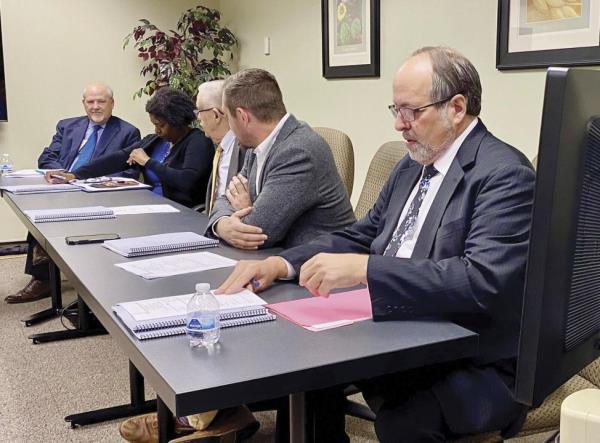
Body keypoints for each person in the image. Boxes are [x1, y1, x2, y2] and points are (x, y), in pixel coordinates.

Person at [216, 47, 536, 442]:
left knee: (402, 420)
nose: (400, 125)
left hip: (469, 359)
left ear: (456, 107)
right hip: (400, 329)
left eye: (411, 112)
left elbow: (479, 281)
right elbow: (362, 234)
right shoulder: (413, 163)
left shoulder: (504, 173)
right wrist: (281, 265)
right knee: (303, 361)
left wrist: (366, 269)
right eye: (395, 111)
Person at [5, 82, 140, 304]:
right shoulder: (67, 126)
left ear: (112, 104)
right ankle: (43, 278)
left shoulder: (127, 132)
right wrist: (62, 174)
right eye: (91, 102)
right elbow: (47, 157)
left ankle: (93, 279)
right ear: (84, 104)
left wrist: (88, 179)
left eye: (101, 101)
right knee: (38, 216)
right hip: (62, 187)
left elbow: (129, 171)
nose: (96, 106)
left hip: (96, 193)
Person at [206, 68, 355, 250]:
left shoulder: (298, 152)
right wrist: (222, 225)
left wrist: (246, 211)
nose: (229, 127)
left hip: (319, 266)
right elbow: (226, 197)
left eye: (229, 118)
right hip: (281, 258)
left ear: (243, 117)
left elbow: (257, 232)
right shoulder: (256, 146)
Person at [47, 87, 214, 209]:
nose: (157, 130)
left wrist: (148, 162)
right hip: (147, 207)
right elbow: (116, 160)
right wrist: (74, 174)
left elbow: (187, 181)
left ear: (177, 122)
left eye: (161, 125)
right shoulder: (155, 141)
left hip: (177, 211)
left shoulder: (198, 142)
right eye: (154, 125)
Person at [195, 80, 247, 214]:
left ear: (216, 115)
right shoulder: (220, 148)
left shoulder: (247, 148)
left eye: (199, 111)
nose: (198, 117)